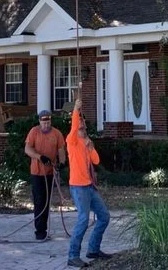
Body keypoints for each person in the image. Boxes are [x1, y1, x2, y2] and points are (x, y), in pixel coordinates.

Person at [66, 97, 112, 267]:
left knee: (104, 216)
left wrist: (90, 147)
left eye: (83, 124)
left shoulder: (86, 142)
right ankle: (73, 256)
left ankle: (93, 249)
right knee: (83, 220)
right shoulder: (71, 141)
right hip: (78, 187)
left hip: (89, 186)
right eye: (80, 124)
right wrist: (76, 109)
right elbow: (73, 126)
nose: (82, 125)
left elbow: (96, 160)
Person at [24, 108, 66, 241]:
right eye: (44, 123)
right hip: (37, 172)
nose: (46, 125)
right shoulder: (34, 132)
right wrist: (39, 157)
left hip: (50, 172)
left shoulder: (56, 133)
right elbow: (27, 149)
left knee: (47, 201)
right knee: (39, 200)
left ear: (50, 121)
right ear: (40, 122)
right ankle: (39, 230)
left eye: (48, 123)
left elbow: (61, 149)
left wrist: (62, 163)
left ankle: (44, 229)